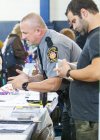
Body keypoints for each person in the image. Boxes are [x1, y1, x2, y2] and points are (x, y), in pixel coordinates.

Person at [8, 13, 82, 140]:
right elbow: (44, 75)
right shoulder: (43, 43)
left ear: (38, 31)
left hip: (80, 100)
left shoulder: (53, 44)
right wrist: (29, 79)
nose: (23, 37)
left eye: (25, 33)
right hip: (69, 98)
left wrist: (26, 86)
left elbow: (53, 83)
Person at [54, 0, 99, 139]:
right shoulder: (93, 36)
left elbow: (96, 71)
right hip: (87, 113)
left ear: (84, 13)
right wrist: (77, 67)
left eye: (74, 21)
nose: (74, 27)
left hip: (89, 117)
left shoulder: (96, 37)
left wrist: (68, 72)